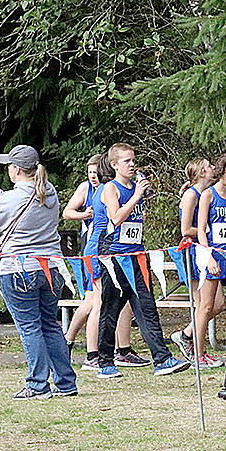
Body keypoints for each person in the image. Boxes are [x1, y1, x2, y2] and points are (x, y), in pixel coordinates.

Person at [0, 145, 77, 400]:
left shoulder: (14, 198)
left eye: (9, 166)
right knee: (50, 325)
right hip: (51, 268)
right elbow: (18, 202)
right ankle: (65, 382)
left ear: (16, 169)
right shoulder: (49, 192)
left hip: (18, 269)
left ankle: (38, 384)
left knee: (29, 327)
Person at [94, 143, 189, 379]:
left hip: (137, 255)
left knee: (147, 307)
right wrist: (136, 197)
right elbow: (115, 218)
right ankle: (104, 361)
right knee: (110, 310)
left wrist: (139, 201)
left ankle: (162, 358)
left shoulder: (136, 188)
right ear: (115, 165)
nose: (132, 164)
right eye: (126, 161)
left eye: (133, 160)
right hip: (115, 257)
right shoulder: (109, 188)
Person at [62, 154, 131, 371]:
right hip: (95, 248)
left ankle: (119, 349)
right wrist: (84, 214)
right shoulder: (99, 189)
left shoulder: (111, 188)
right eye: (90, 172)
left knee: (101, 299)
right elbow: (67, 213)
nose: (93, 176)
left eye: (95, 172)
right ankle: (92, 352)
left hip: (109, 248)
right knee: (98, 300)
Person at [193, 154, 226, 370]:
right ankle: (198, 352)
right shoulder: (208, 195)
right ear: (221, 173)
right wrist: (208, 256)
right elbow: (201, 230)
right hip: (213, 254)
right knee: (207, 305)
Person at [171, 156, 214, 360]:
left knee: (216, 304)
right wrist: (209, 232)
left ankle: (186, 334)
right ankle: (198, 352)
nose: (213, 168)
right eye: (209, 166)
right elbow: (186, 229)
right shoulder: (191, 195)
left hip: (203, 249)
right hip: (192, 251)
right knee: (203, 305)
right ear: (201, 172)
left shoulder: (207, 194)